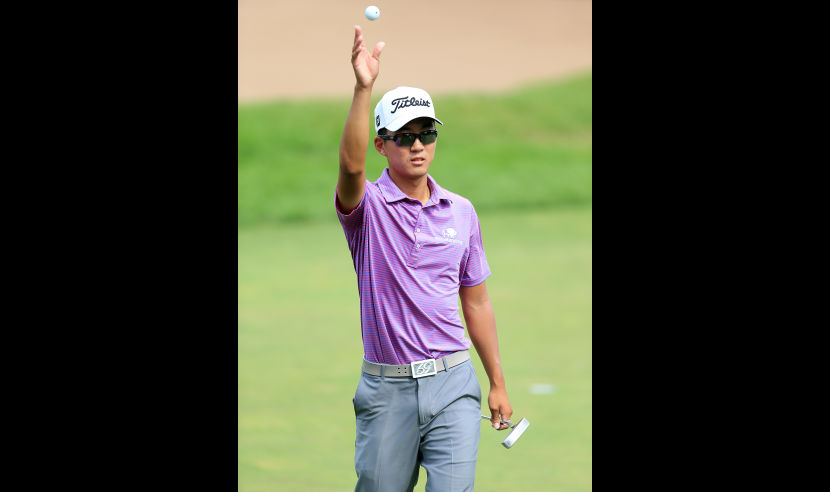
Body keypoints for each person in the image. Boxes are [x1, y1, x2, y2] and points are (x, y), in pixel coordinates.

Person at [335, 25, 513, 492]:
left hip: (454, 381)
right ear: (381, 144)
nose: (418, 145)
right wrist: (362, 87)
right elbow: (350, 169)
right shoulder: (367, 209)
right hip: (387, 389)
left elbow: (476, 302)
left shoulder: (461, 211)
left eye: (426, 133)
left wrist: (496, 380)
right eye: (404, 136)